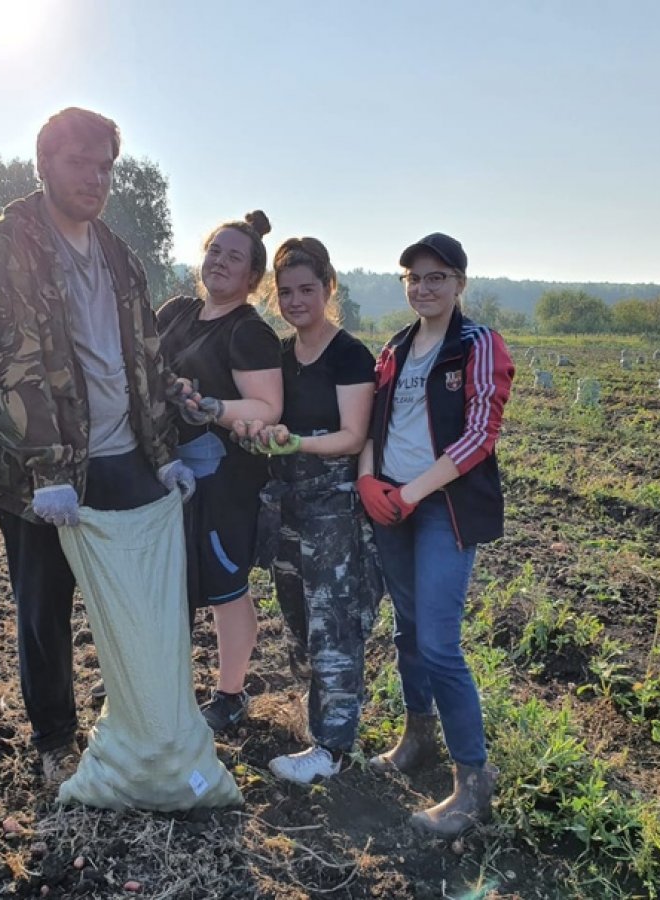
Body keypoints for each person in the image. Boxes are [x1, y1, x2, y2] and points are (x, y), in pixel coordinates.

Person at [0, 107, 196, 785]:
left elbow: (144, 359)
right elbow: (9, 366)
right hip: (39, 468)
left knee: (145, 596)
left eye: (105, 167)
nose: (94, 179)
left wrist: (162, 451)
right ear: (44, 165)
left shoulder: (118, 254)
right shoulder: (7, 247)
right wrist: (46, 471)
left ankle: (142, 722)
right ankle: (55, 738)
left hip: (121, 451)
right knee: (44, 605)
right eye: (78, 163)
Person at [357, 232, 514, 837]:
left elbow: (479, 435)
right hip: (391, 500)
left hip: (438, 509)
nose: (423, 288)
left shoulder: (477, 344)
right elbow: (376, 419)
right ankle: (415, 736)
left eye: (436, 278)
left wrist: (412, 492)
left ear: (459, 285)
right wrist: (370, 478)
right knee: (408, 631)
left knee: (442, 644)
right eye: (413, 279)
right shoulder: (395, 348)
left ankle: (473, 781)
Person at [234, 237, 382, 784]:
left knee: (334, 624)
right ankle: (323, 719)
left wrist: (293, 441)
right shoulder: (278, 355)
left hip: (333, 509)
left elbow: (352, 435)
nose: (297, 301)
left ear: (329, 288)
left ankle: (332, 748)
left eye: (307, 290)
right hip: (288, 505)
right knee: (297, 617)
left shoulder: (348, 354)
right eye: (287, 291)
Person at [156, 212, 283, 732]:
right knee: (166, 581)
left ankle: (230, 694)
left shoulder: (248, 331)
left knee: (225, 583)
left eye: (235, 257)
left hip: (223, 479)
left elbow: (267, 408)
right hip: (164, 471)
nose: (221, 262)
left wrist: (209, 406)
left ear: (253, 278)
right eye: (215, 251)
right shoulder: (176, 311)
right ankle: (161, 678)